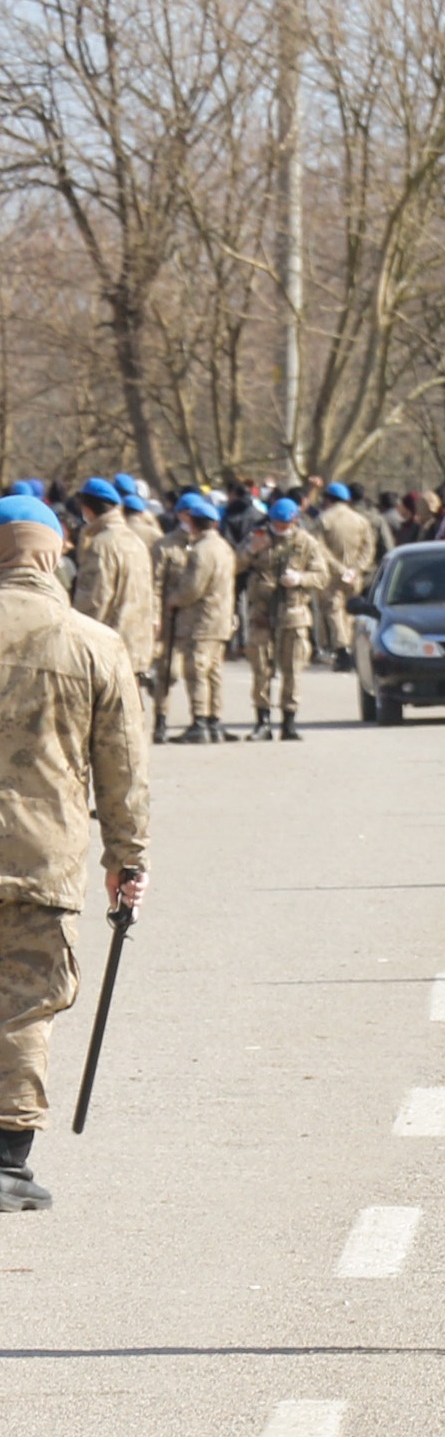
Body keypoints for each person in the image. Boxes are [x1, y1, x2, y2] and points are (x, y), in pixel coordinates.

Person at [0, 492, 150, 1212]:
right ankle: (7, 1160)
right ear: (58, 551)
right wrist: (128, 856)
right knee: (27, 1003)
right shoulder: (94, 643)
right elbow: (122, 764)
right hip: (42, 855)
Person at [240, 496, 335, 741]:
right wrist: (251, 551)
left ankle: (289, 721)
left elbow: (322, 576)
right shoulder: (258, 537)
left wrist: (300, 578)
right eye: (277, 523)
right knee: (261, 668)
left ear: (295, 520)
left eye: (286, 524)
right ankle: (262, 722)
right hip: (261, 613)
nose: (281, 528)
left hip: (294, 614)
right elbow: (233, 565)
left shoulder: (306, 543)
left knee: (292, 668)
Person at [152, 494, 237, 743]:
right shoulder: (168, 545)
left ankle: (202, 721)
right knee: (195, 671)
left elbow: (192, 588)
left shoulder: (203, 550)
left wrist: (174, 599)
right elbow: (156, 584)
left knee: (199, 670)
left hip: (199, 620)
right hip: (196, 620)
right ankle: (196, 719)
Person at [68, 481, 156, 688]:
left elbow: (93, 602)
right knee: (131, 715)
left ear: (87, 508)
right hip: (136, 642)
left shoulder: (101, 544)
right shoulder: (135, 541)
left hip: (108, 649)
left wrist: (76, 643)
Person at [315, 483, 383, 663]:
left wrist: (339, 568)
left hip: (331, 574)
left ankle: (342, 648)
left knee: (334, 609)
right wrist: (356, 569)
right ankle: (354, 648)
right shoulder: (360, 520)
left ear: (328, 499)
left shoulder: (324, 519)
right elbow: (368, 548)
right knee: (352, 611)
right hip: (355, 575)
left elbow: (319, 548)